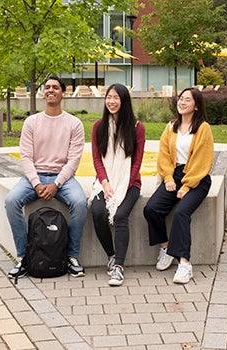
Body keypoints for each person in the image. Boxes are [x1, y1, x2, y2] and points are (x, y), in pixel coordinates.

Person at [5, 76, 87, 279]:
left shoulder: (74, 124)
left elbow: (73, 160)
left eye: (55, 87)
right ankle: (24, 257)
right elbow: (26, 157)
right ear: (43, 93)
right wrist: (36, 183)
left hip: (63, 179)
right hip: (35, 176)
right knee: (11, 200)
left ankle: (71, 257)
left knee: (80, 202)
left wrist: (57, 184)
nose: (51, 90)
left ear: (63, 93)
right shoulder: (31, 122)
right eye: (47, 87)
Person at [143, 88, 214, 285]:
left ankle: (184, 264)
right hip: (174, 175)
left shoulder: (203, 128)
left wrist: (187, 185)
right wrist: (168, 178)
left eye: (187, 100)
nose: (182, 102)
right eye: (181, 99)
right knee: (151, 209)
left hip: (197, 178)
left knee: (182, 212)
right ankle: (165, 248)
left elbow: (202, 160)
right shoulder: (171, 127)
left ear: (196, 105)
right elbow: (164, 155)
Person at [89, 84, 146, 286]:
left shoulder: (137, 127)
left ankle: (119, 268)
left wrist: (121, 188)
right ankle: (112, 256)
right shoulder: (99, 126)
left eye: (116, 98)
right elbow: (96, 158)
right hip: (104, 182)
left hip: (129, 183)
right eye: (109, 97)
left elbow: (137, 161)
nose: (111, 101)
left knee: (121, 214)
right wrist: (105, 182)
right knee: (97, 212)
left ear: (124, 101)